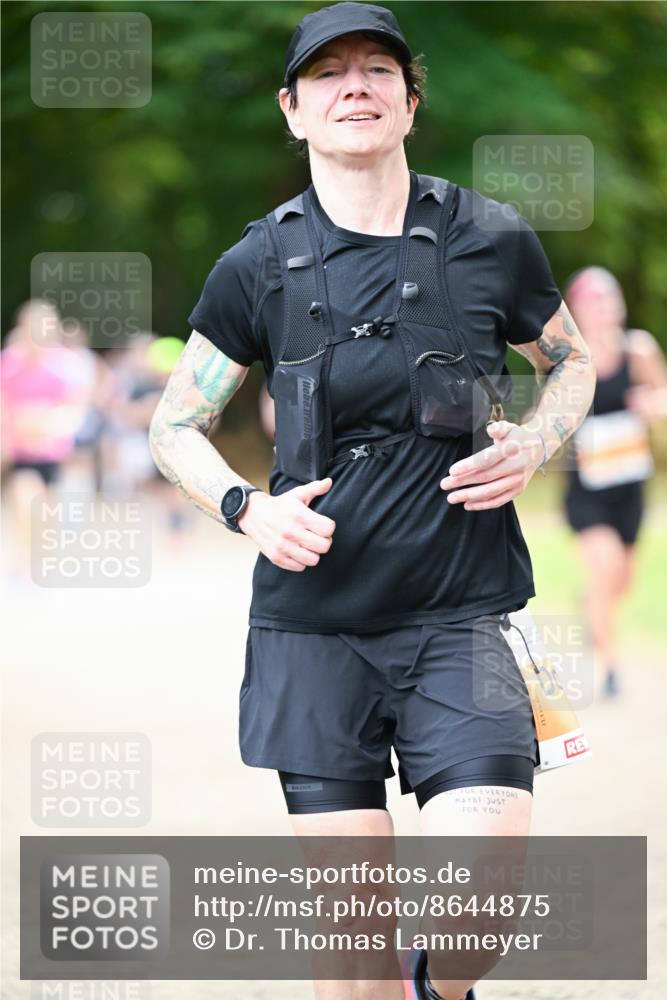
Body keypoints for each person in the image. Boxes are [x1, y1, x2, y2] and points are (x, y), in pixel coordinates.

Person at [149, 4, 595, 998]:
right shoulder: (255, 263)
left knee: (479, 905)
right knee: (351, 952)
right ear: (292, 110)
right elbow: (172, 425)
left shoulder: (487, 234)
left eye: (378, 69)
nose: (356, 85)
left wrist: (534, 440)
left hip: (461, 617)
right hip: (312, 632)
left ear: (409, 98)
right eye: (329, 75)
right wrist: (244, 508)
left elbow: (572, 361)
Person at [562, 266, 667, 697]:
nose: (603, 309)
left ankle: (592, 608)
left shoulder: (638, 349)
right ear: (577, 311)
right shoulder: (571, 356)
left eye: (608, 298)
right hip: (587, 490)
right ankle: (610, 669)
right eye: (593, 302)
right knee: (603, 568)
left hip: (629, 485)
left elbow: (662, 397)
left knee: (621, 580)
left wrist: (652, 405)